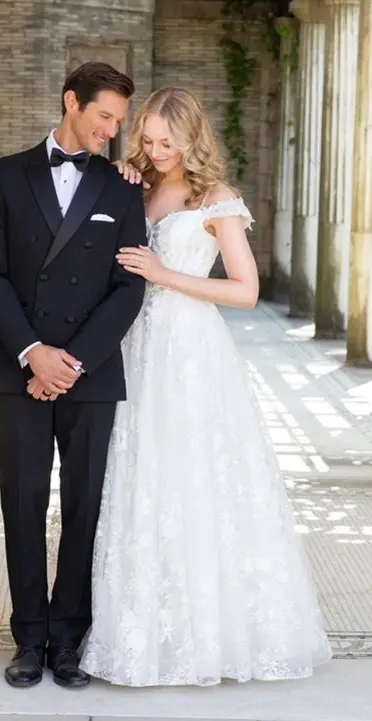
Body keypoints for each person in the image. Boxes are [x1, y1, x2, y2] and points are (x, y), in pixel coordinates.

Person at [80, 87, 333, 686]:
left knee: (195, 478)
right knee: (138, 478)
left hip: (189, 349)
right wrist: (120, 172)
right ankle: (139, 629)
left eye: (167, 142)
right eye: (147, 140)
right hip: (133, 345)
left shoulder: (217, 199)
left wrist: (167, 274)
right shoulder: (132, 184)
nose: (155, 150)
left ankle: (210, 636)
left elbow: (244, 291)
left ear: (193, 139)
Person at [0, 62, 147, 689]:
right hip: (19, 366)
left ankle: (70, 639)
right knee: (21, 504)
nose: (111, 131)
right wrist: (31, 352)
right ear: (71, 101)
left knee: (84, 507)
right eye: (104, 117)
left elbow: (129, 287)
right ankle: (29, 638)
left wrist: (71, 362)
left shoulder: (125, 187)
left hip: (89, 373)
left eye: (119, 122)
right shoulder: (7, 175)